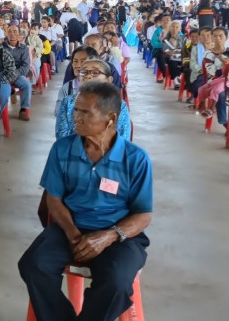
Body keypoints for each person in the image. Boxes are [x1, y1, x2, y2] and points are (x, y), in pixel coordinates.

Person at [19, 82, 152, 321]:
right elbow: (54, 199)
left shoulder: (135, 158)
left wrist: (108, 236)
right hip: (70, 227)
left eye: (85, 112)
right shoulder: (62, 149)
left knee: (117, 281)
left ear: (111, 119)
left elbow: (143, 214)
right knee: (33, 265)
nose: (76, 117)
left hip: (118, 234)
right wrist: (73, 236)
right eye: (75, 110)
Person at [56, 59, 131, 141]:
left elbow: (122, 138)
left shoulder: (118, 105)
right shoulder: (67, 102)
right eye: (83, 72)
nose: (88, 76)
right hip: (72, 149)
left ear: (109, 80)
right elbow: (61, 136)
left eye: (95, 72)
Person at [4, 24, 33, 121]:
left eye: (15, 31)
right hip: (3, 75)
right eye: (9, 31)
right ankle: (0, 109)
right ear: (6, 33)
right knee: (0, 86)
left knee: (26, 84)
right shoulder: (0, 47)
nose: (12, 34)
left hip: (18, 74)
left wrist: (15, 73)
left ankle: (24, 109)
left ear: (19, 34)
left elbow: (26, 66)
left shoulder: (24, 48)